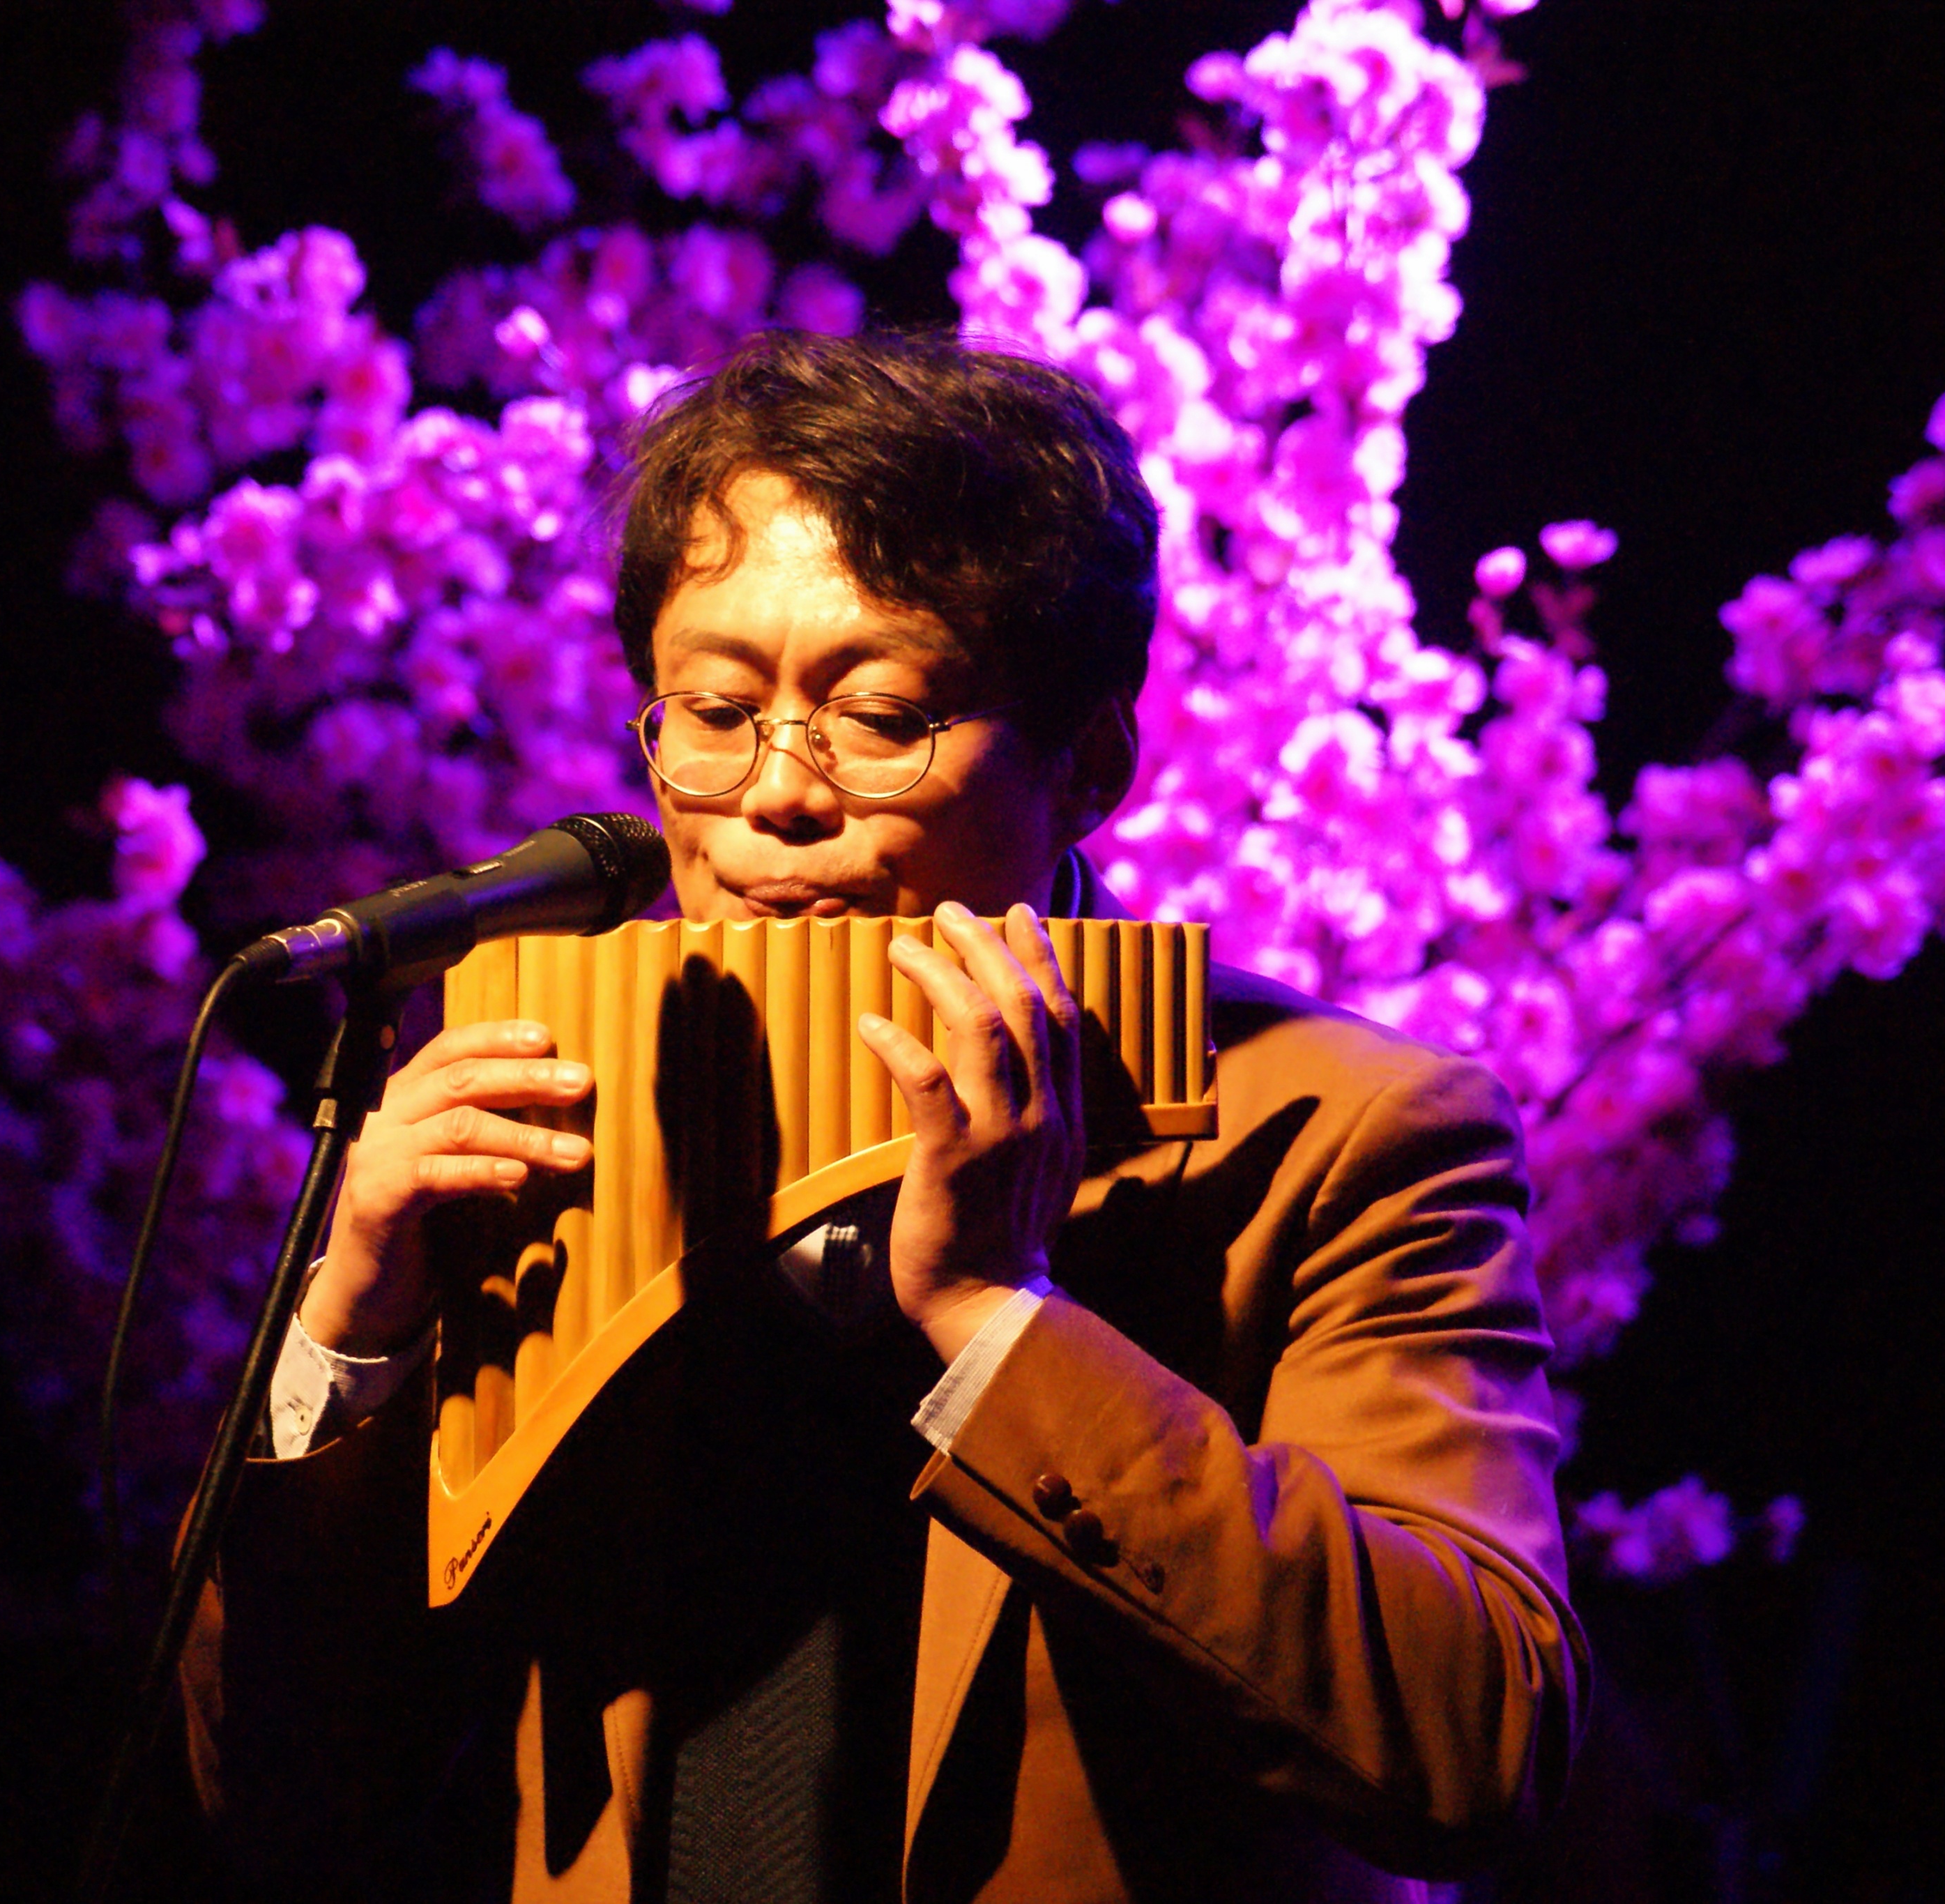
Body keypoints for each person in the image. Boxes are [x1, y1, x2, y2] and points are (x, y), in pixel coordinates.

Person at [181, 329, 1586, 1902]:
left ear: (1088, 765)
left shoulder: (1345, 1136)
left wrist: (999, 1316)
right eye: (713, 710)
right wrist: (352, 1344)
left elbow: (1473, 1742)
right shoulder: (543, 1104)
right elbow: (278, 1791)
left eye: (881, 714)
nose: (777, 793)